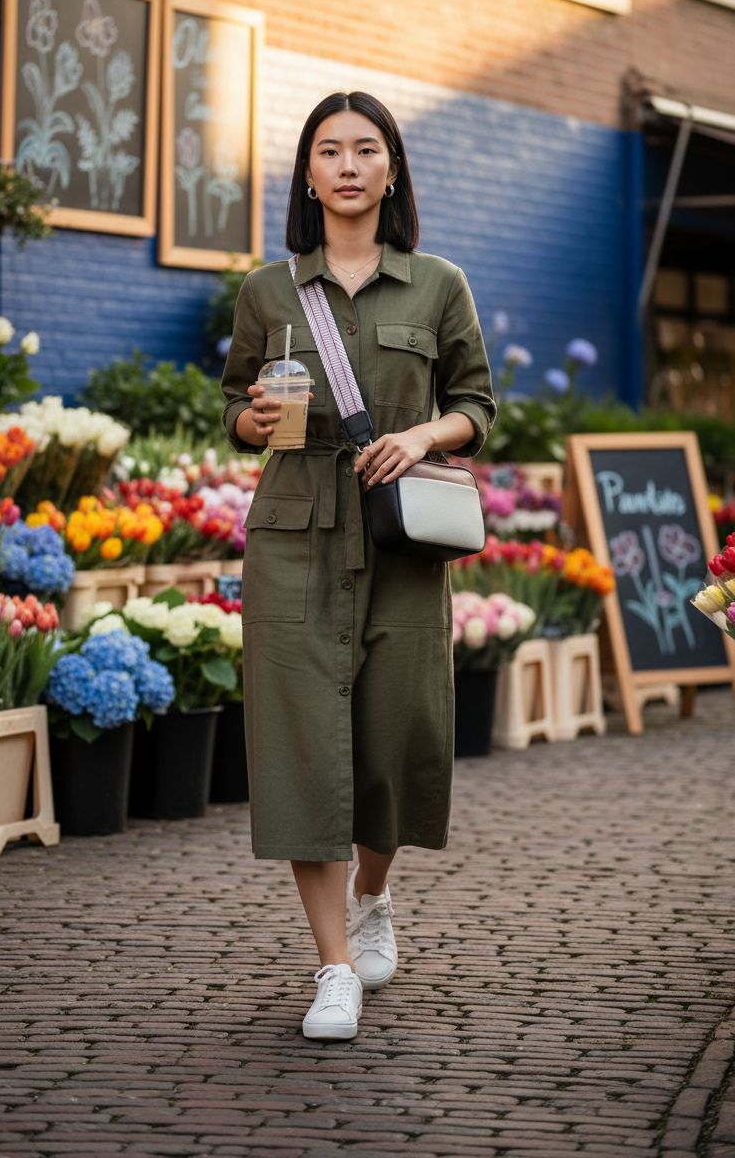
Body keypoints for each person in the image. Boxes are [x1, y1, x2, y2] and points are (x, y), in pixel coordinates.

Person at [221, 91, 496, 1041]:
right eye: (328, 150)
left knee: (395, 737)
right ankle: (333, 963)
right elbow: (234, 406)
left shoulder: (437, 285)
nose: (346, 164)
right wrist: (252, 421)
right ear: (307, 174)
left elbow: (480, 404)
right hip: (294, 534)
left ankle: (375, 894)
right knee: (301, 744)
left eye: (364, 149)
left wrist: (423, 435)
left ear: (390, 170)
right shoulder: (266, 291)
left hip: (400, 540)